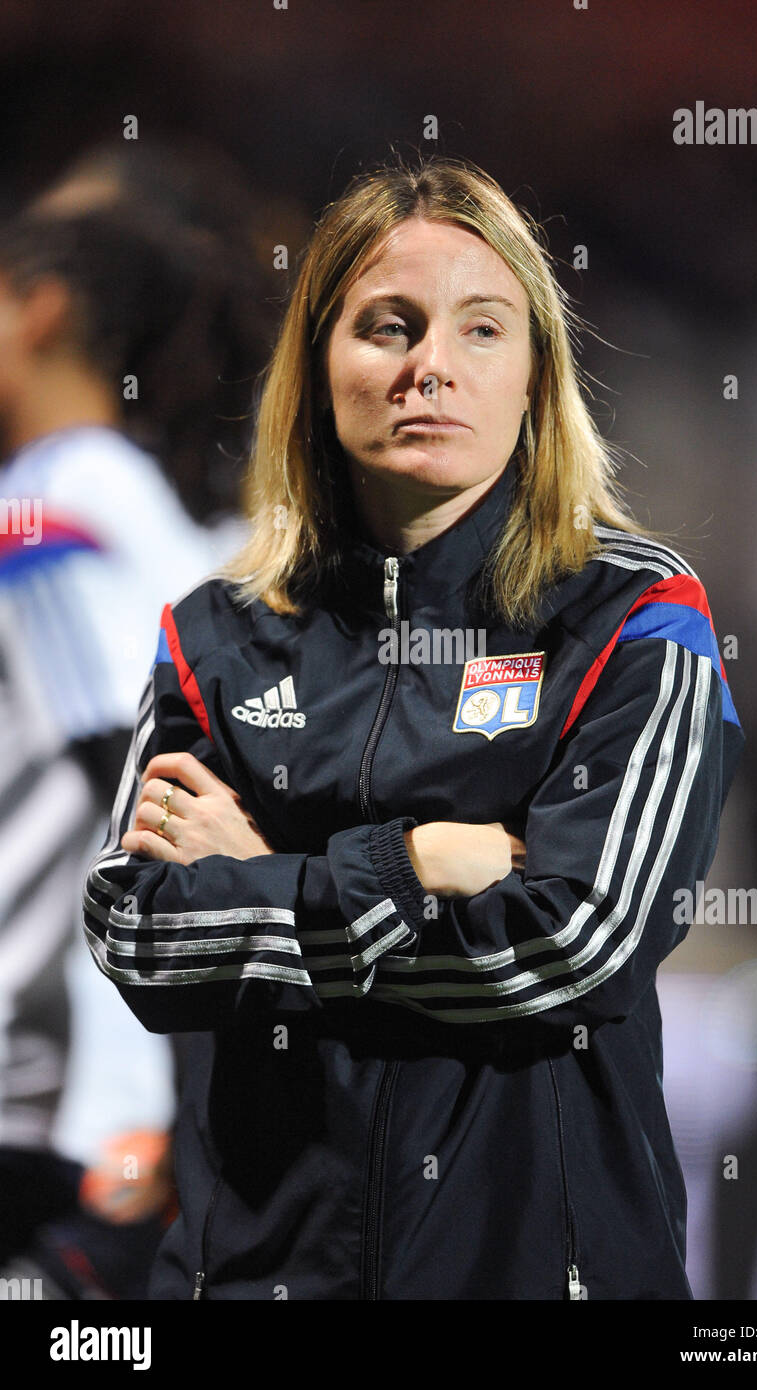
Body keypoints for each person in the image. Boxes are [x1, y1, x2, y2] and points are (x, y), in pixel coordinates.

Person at [83, 155, 744, 1301]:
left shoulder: (635, 614)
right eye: (387, 327)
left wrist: (267, 879)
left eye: (480, 331)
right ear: (318, 366)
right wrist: (418, 863)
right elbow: (139, 937)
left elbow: (572, 943)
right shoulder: (216, 633)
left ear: (535, 376)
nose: (428, 367)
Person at [0, 155, 273, 1295]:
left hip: (44, 1112)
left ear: (45, 310)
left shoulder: (49, 510)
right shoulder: (172, 519)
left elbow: (153, 756)